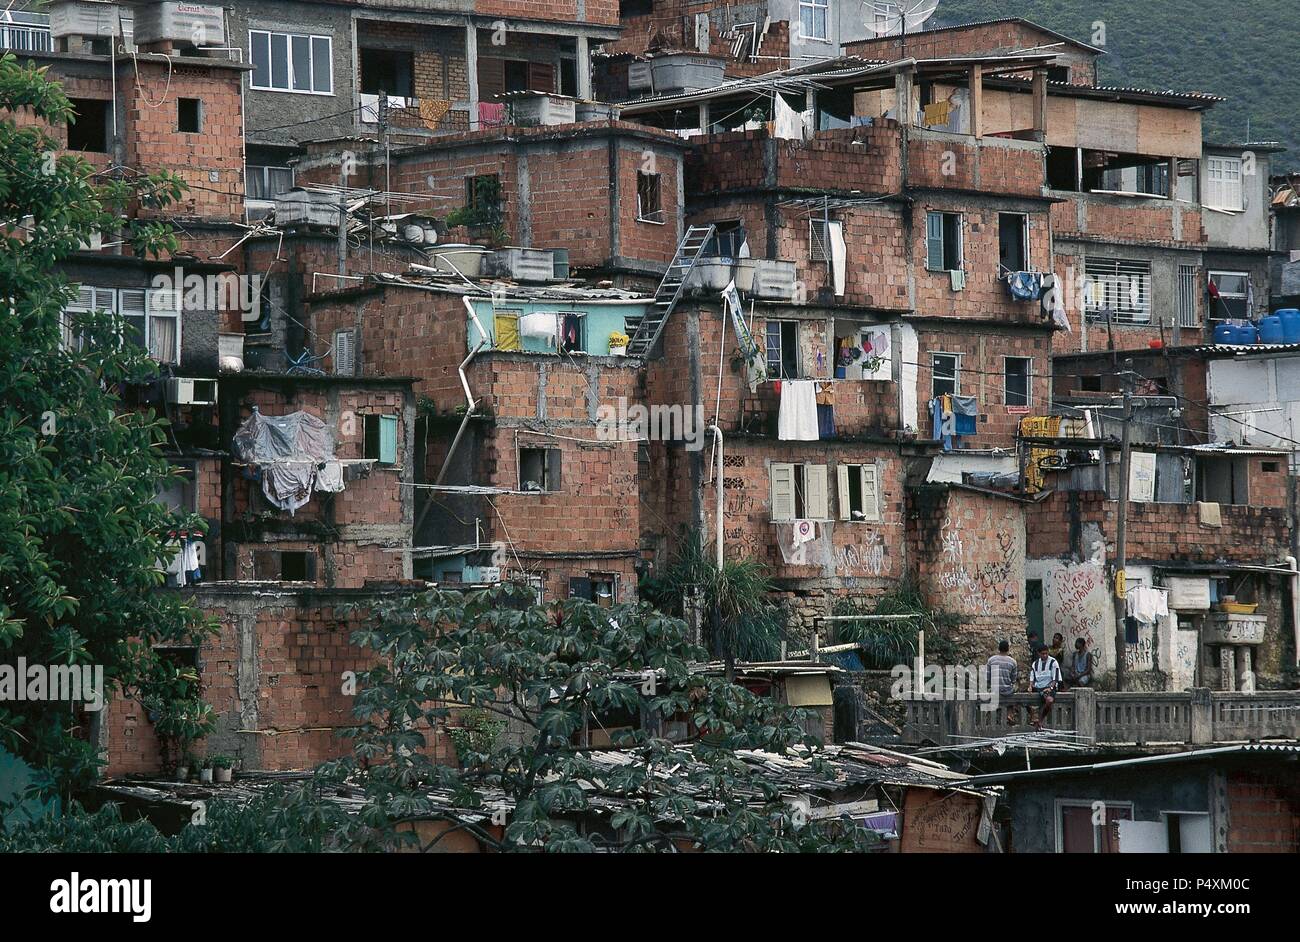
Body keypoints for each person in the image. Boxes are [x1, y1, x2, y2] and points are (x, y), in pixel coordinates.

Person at [1027, 642, 1061, 730]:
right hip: (1038, 687)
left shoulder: (1053, 662)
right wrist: (1030, 686)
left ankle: (1041, 719)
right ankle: (1033, 717)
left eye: (1046, 653)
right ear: (1039, 654)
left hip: (1049, 686)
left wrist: (1050, 688)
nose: (1045, 655)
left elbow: (1055, 679)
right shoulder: (1035, 664)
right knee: (1023, 700)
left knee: (1049, 700)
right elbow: (1032, 677)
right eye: (1043, 654)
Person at [986, 640, 1019, 725]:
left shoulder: (991, 660)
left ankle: (991, 716)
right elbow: (1013, 679)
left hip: (995, 690)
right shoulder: (1013, 662)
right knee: (1013, 692)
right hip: (1007, 691)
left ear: (999, 648)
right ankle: (1010, 714)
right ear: (1008, 649)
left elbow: (987, 677)